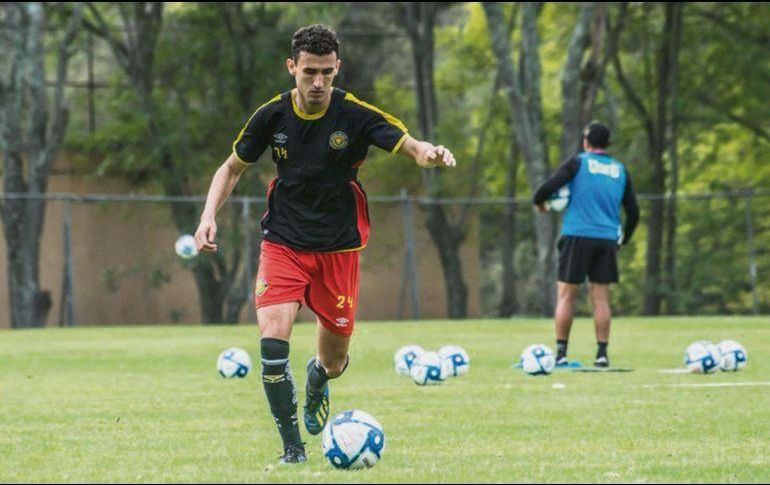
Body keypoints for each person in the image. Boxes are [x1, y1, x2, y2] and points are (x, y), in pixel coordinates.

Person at [194, 24, 455, 464]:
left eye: (327, 74)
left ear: (338, 70)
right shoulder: (271, 116)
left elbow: (409, 144)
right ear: (292, 67)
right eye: (309, 72)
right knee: (273, 342)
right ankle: (293, 450)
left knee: (333, 361)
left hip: (338, 248)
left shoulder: (355, 114)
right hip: (284, 243)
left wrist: (428, 154)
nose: (318, 83)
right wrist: (207, 217)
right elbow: (231, 168)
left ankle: (318, 377)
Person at [532, 122, 639, 368]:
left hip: (578, 235)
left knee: (566, 297)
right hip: (607, 238)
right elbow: (634, 212)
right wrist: (624, 239)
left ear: (586, 142)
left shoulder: (578, 163)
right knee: (601, 299)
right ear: (608, 145)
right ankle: (602, 355)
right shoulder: (620, 170)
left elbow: (547, 188)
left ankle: (561, 354)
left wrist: (541, 203)